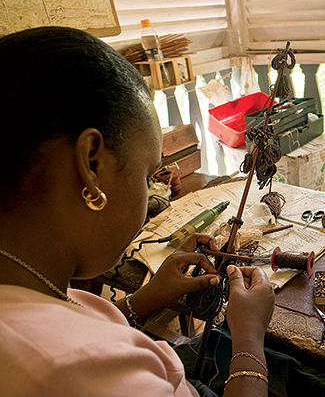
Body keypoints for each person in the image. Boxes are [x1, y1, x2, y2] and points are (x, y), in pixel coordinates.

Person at [0, 27, 274, 397]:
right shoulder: (75, 373)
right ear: (92, 165)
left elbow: (75, 321)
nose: (150, 192)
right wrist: (249, 343)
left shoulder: (25, 283)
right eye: (147, 176)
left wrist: (144, 300)